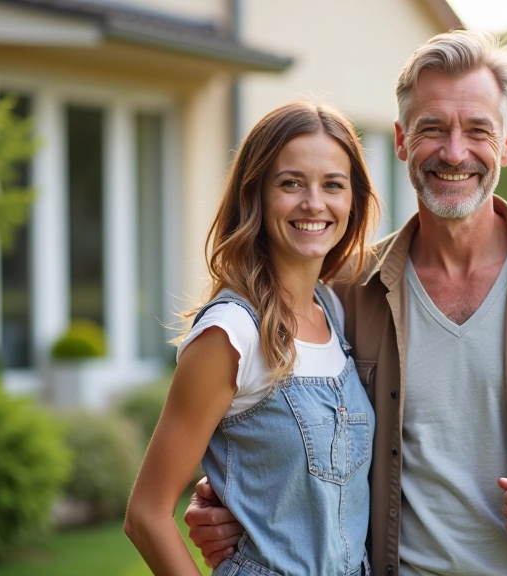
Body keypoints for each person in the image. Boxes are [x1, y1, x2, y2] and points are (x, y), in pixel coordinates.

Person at [185, 30, 507, 576]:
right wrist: (228, 498)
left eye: (477, 130)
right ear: (402, 140)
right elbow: (286, 426)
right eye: (432, 128)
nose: (454, 153)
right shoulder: (346, 290)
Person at [124, 101, 380, 575]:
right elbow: (146, 514)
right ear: (255, 195)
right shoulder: (231, 332)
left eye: (332, 185)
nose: (314, 203)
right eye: (291, 183)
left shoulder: (334, 310)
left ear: (353, 201)